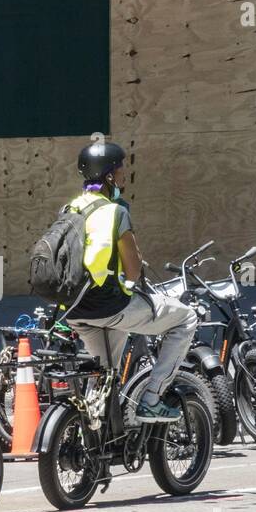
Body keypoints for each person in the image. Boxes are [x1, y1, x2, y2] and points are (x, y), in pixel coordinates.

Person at [62, 141, 197, 422]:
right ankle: (152, 399)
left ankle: (91, 427)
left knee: (104, 374)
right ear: (110, 176)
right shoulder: (116, 212)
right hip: (110, 307)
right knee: (186, 318)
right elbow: (133, 272)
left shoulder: (70, 209)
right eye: (121, 168)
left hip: (74, 310)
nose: (125, 173)